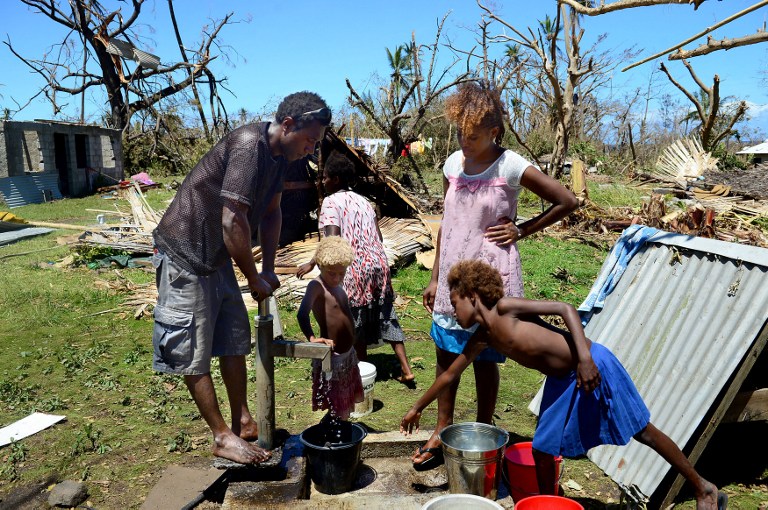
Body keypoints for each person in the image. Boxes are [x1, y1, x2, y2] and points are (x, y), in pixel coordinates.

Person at [401, 260, 727, 510]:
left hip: (591, 363)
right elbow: (448, 375)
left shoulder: (507, 308)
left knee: (643, 431)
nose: (453, 311)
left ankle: (702, 486)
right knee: (543, 449)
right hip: (561, 381)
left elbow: (565, 308)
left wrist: (584, 358)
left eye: (455, 302)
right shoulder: (482, 338)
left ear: (472, 296)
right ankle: (546, 504)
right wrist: (417, 406)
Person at [151, 91, 332, 465]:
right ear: (287, 126)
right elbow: (232, 219)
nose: (312, 149)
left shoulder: (282, 157)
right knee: (192, 349)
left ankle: (242, 420)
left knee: (234, 337)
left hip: (217, 258)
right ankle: (221, 436)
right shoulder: (250, 146)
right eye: (310, 140)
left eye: (317, 143)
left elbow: (271, 213)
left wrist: (267, 268)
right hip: (185, 253)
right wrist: (253, 279)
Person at [416, 81, 578, 469]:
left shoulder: (511, 165)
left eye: (472, 135)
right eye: (460, 133)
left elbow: (566, 200)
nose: (464, 141)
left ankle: (484, 433)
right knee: (445, 352)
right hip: (455, 274)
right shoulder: (452, 164)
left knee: (486, 356)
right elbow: (448, 223)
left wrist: (522, 228)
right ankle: (442, 428)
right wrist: (436, 276)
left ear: (494, 132)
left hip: (491, 276)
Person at [296, 150, 415, 384]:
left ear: (336, 179)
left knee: (354, 321)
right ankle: (406, 368)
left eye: (326, 177)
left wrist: (313, 263)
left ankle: (357, 373)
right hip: (379, 263)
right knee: (386, 315)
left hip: (353, 266)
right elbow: (378, 237)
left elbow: (332, 242)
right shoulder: (365, 202)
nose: (323, 181)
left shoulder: (330, 202)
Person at [296, 236, 364, 421]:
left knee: (344, 402)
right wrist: (311, 338)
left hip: (347, 353)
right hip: (333, 355)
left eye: (341, 274)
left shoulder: (336, 284)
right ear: (320, 267)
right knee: (335, 402)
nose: (337, 278)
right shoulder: (316, 286)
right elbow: (302, 313)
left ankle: (338, 429)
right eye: (332, 274)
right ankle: (330, 435)